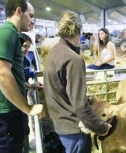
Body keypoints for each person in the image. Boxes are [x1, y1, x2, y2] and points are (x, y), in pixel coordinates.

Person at [43, 10, 111, 153]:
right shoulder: (73, 59)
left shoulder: (53, 52)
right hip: (74, 127)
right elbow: (80, 104)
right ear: (79, 31)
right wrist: (101, 127)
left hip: (60, 120)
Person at [0, 0, 44, 152]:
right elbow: (1, 75)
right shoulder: (6, 33)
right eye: (30, 15)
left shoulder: (13, 35)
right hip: (5, 113)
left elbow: (12, 75)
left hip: (10, 110)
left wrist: (29, 85)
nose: (32, 20)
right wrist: (28, 108)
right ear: (18, 11)